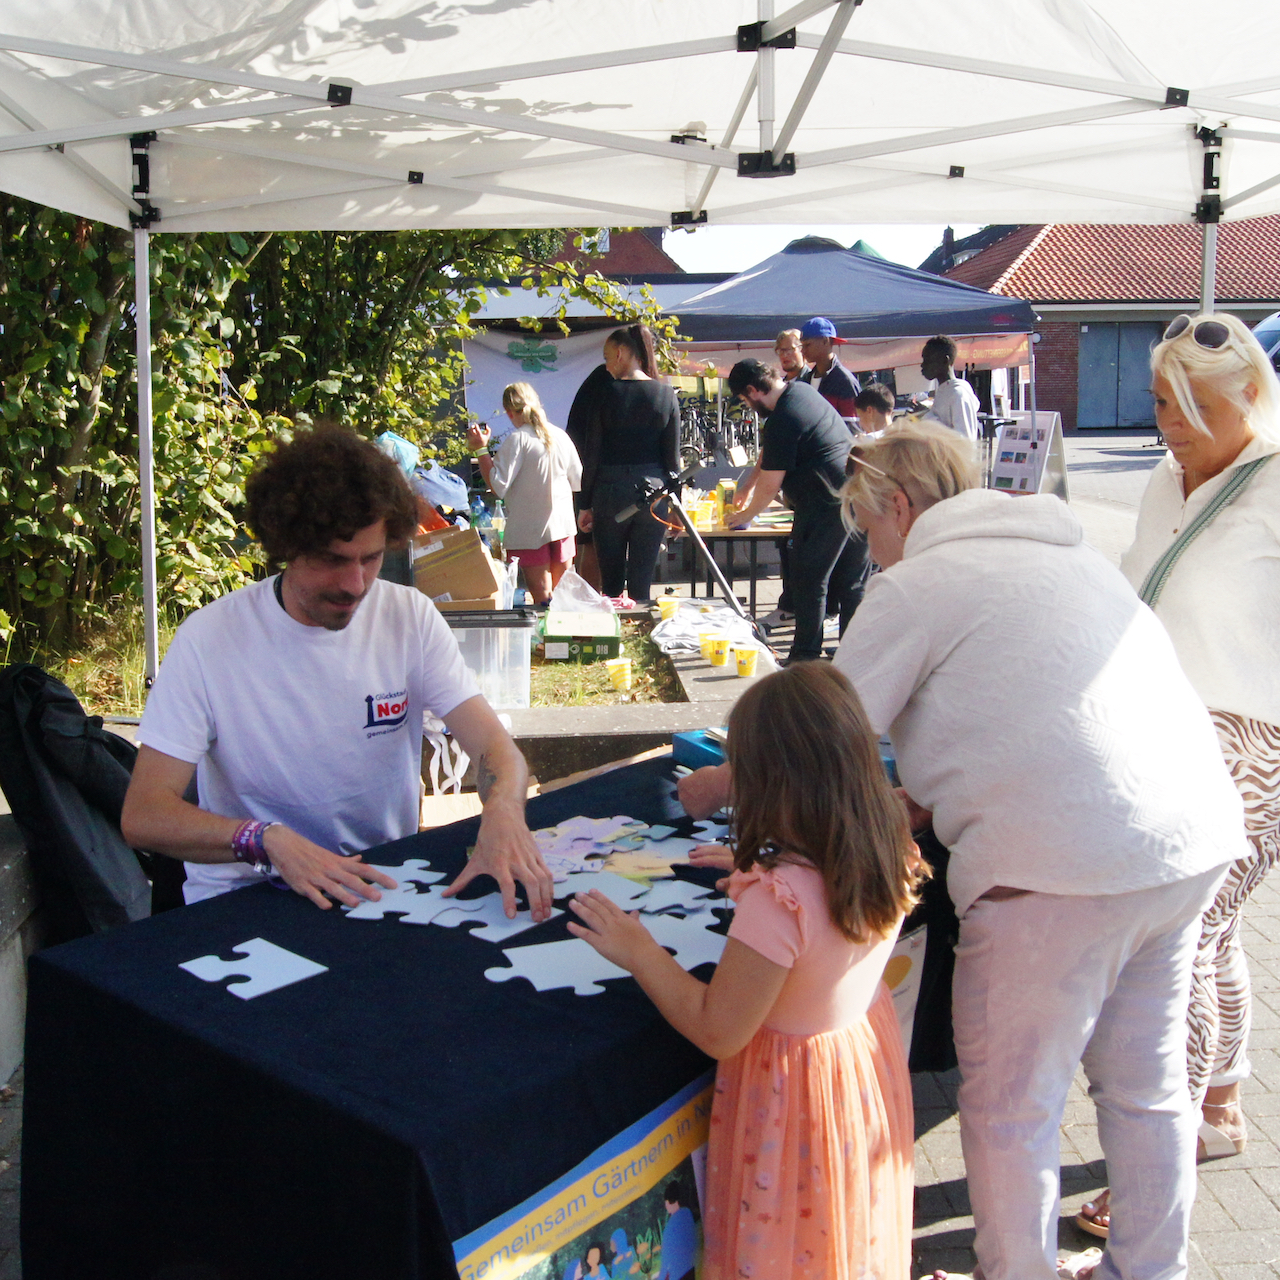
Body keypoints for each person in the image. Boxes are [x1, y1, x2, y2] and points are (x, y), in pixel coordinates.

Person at [677, 420, 1247, 1280]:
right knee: (1148, 1091)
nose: (869, 550)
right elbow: (1022, 726)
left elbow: (824, 736)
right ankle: (1150, 1268)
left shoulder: (918, 587)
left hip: (1057, 868)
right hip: (1187, 839)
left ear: (899, 507)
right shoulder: (1070, 554)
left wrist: (724, 788)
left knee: (1012, 1106)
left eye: (868, 527)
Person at [570, 663, 919, 1279]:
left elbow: (718, 1029)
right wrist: (759, 869)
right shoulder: (884, 837)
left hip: (793, 1107)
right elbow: (822, 919)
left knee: (782, 1249)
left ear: (769, 784)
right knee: (836, 1239)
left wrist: (639, 950)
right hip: (856, 1080)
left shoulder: (777, 899)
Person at [120, 425, 553, 921]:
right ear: (285, 545)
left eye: (370, 559)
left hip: (382, 885)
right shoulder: (208, 639)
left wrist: (502, 812)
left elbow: (497, 750)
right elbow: (145, 815)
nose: (355, 584)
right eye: (332, 561)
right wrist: (263, 839)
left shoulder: (408, 616)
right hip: (243, 899)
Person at [1076, 313, 1280, 1241]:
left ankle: (1161, 1180)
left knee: (1182, 934)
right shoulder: (1163, 481)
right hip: (1168, 728)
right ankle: (1223, 1107)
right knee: (1216, 927)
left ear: (1251, 395)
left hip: (1258, 738)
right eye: (1162, 401)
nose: (1172, 421)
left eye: (1195, 403)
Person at [725, 360, 866, 662]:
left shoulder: (783, 418)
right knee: (851, 582)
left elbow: (771, 484)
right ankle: (855, 653)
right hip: (857, 493)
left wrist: (745, 516)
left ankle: (805, 655)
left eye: (744, 401)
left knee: (810, 579)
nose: (749, 407)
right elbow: (770, 455)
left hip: (824, 504)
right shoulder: (800, 392)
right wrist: (747, 484)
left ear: (752, 391)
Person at [576, 325, 680, 603]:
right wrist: (676, 507)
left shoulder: (603, 394)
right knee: (642, 583)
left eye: (607, 357)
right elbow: (673, 460)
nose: (607, 365)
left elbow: (592, 455)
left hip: (611, 492)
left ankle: (614, 639)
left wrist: (585, 504)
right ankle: (643, 637)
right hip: (655, 494)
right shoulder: (666, 394)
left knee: (610, 586)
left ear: (621, 353)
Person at [467, 382, 582, 606]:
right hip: (562, 526)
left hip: (529, 530)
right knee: (563, 600)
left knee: (543, 603)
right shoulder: (561, 436)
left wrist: (481, 449)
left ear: (509, 413)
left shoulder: (517, 440)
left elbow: (498, 486)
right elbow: (577, 479)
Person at [565, 362, 615, 590]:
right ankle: (591, 601)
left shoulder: (596, 383)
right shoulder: (605, 383)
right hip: (591, 474)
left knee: (588, 544)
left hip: (583, 473)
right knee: (592, 544)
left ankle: (589, 602)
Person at [919, 334, 980, 441]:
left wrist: (926, 415)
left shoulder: (958, 394)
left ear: (945, 361)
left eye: (928, 360)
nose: (922, 365)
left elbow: (965, 440)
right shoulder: (943, 391)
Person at [798, 316, 861, 419]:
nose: (803, 350)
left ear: (825, 341)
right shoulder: (805, 379)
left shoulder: (844, 381)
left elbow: (852, 425)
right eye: (802, 346)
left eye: (807, 345)